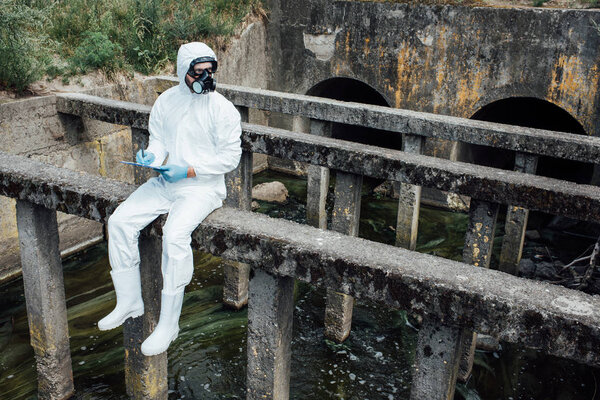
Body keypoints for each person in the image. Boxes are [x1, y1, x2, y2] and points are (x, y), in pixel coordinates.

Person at [97, 42, 242, 356]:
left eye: (210, 71)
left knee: (175, 234)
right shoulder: (166, 101)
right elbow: (159, 138)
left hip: (202, 189)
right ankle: (129, 300)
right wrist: (151, 156)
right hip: (164, 182)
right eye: (198, 72)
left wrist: (189, 170)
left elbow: (230, 158)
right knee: (120, 221)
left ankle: (169, 322)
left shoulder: (222, 109)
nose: (206, 78)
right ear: (183, 71)